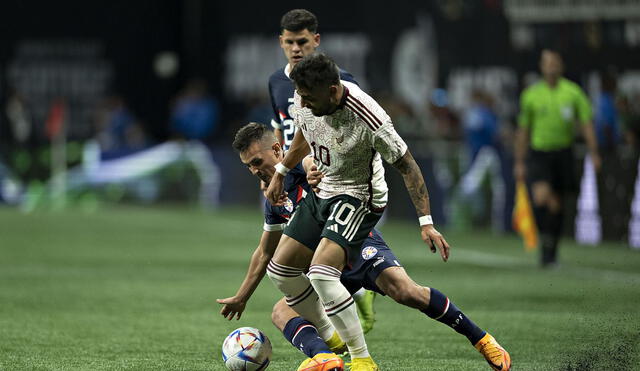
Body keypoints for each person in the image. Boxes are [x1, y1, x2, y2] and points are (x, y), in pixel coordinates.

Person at [265, 54, 511, 371]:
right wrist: (282, 171)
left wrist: (426, 223)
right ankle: (331, 342)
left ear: (333, 89)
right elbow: (303, 130)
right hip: (325, 193)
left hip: (359, 198)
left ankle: (369, 360)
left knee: (397, 289)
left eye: (312, 99)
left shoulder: (369, 116)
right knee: (280, 269)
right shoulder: (304, 96)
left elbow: (407, 166)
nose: (306, 104)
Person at [220, 122, 511, 371]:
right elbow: (265, 251)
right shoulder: (275, 199)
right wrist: (242, 296)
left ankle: (481, 339)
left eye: (257, 162)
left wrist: (311, 171)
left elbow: (310, 162)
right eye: (248, 167)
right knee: (281, 312)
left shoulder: (297, 164)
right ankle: (324, 357)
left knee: (406, 291)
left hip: (355, 243)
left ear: (276, 151)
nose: (255, 171)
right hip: (325, 274)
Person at [268, 8, 377, 333]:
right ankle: (353, 292)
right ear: (281, 42)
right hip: (294, 173)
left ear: (316, 40)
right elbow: (281, 127)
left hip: (331, 179)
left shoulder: (339, 81)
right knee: (292, 259)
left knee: (317, 256)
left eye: (302, 41)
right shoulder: (276, 81)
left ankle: (356, 292)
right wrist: (280, 167)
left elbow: (351, 135)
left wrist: (321, 163)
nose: (296, 48)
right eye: (290, 42)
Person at [515, 49, 601, 267]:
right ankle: (547, 244)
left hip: (564, 153)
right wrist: (519, 161)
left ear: (560, 66)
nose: (551, 66)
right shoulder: (531, 95)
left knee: (557, 204)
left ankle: (550, 251)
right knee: (542, 198)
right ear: (542, 67)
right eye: (547, 63)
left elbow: (586, 124)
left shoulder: (573, 93)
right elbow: (523, 130)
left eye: (554, 62)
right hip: (540, 153)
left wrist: (594, 152)